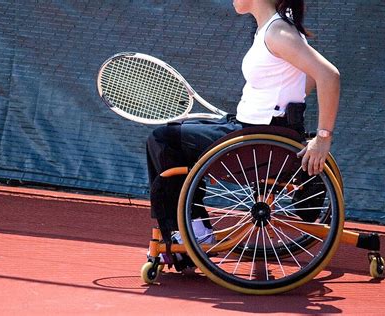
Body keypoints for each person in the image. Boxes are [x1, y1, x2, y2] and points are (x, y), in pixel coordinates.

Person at [146, 0, 340, 255]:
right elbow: (311, 77)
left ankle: (191, 232)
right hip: (253, 128)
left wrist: (322, 139)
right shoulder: (270, 29)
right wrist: (283, 102)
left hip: (258, 137)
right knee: (176, 132)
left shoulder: (278, 33)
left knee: (162, 140)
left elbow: (329, 76)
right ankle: (192, 228)